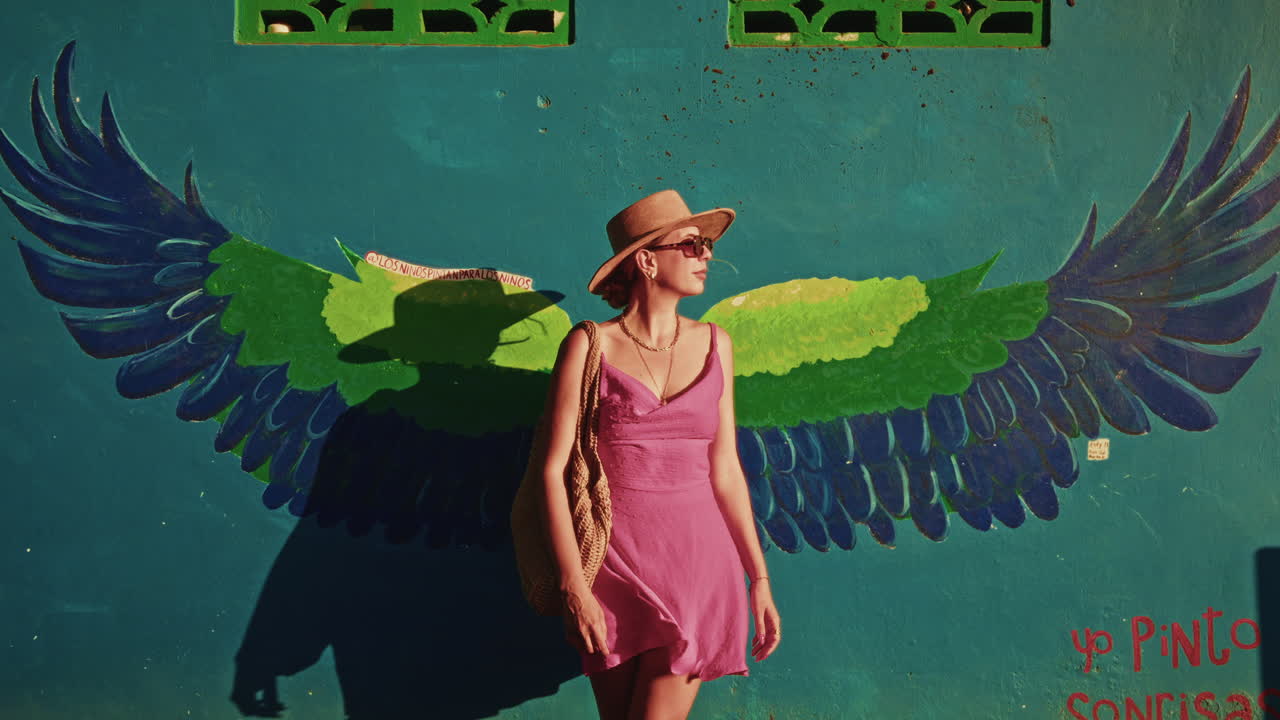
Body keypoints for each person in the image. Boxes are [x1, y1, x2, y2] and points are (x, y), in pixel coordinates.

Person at [539, 189, 781, 720]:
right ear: (647, 260)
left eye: (708, 245)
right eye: (692, 244)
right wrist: (573, 586)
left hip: (698, 568)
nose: (707, 256)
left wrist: (757, 577)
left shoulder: (718, 344)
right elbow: (552, 472)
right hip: (612, 568)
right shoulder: (589, 345)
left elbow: (726, 470)